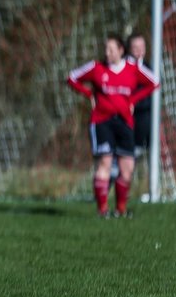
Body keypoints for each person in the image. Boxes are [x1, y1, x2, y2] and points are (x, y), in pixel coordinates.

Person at [67, 33, 159, 218]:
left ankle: (121, 209)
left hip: (124, 122)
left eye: (111, 49)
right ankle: (102, 210)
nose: (107, 53)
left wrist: (132, 100)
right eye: (105, 49)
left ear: (121, 50)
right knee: (105, 163)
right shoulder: (97, 68)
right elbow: (72, 78)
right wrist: (89, 94)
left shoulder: (133, 69)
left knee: (127, 168)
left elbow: (154, 82)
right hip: (102, 122)